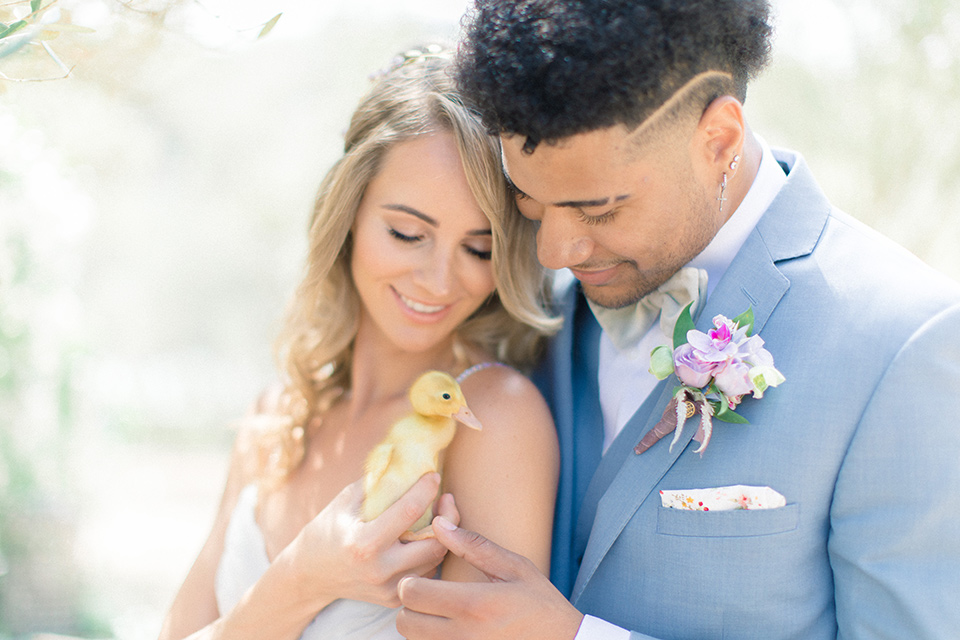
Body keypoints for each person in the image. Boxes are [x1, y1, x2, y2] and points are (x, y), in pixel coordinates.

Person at [395, 2, 960, 639]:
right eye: (528, 200)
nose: (554, 252)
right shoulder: (519, 301)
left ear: (717, 139)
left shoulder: (906, 343)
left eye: (599, 211)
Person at [157, 45, 561, 640]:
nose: (440, 280)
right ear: (348, 214)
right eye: (407, 233)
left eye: (479, 249)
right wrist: (302, 580)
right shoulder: (279, 413)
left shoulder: (493, 419)